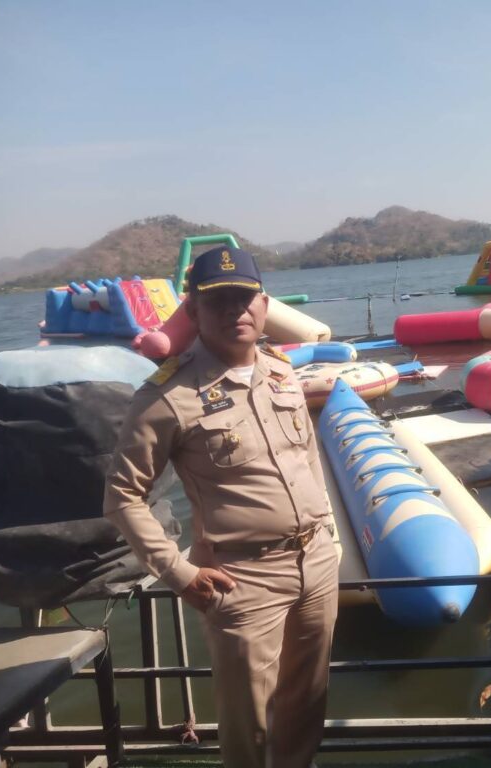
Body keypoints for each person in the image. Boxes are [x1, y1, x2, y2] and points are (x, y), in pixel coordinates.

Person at [104, 246, 340, 768]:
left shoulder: (281, 373)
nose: (235, 310)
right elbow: (122, 495)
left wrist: (328, 533)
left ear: (264, 304)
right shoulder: (168, 396)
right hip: (243, 578)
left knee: (307, 705)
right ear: (193, 310)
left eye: (245, 297)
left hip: (317, 564)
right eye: (218, 301)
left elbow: (306, 456)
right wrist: (179, 573)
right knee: (248, 723)